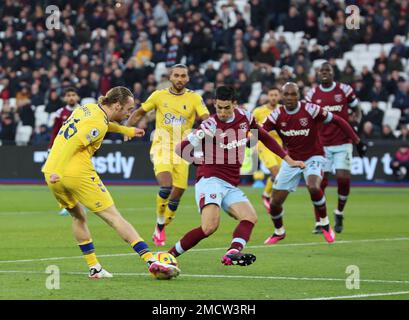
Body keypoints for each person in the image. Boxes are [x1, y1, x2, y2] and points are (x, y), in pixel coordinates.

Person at [42, 86, 180, 280]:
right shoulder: (97, 124)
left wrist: (126, 130)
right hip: (74, 171)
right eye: (128, 109)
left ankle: (94, 268)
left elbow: (105, 125)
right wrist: (60, 169)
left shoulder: (88, 108)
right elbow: (75, 143)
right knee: (115, 218)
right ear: (117, 105)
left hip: (50, 172)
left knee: (78, 217)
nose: (129, 113)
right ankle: (151, 260)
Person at [168, 86, 304, 266]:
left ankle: (232, 252)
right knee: (209, 227)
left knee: (250, 217)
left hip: (230, 183)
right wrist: (198, 162)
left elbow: (263, 136)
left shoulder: (245, 117)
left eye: (227, 108)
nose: (222, 112)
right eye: (219, 108)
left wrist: (288, 159)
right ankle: (168, 256)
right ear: (214, 104)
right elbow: (180, 149)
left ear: (235, 104)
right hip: (211, 180)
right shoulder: (210, 125)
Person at [262, 82, 362, 245]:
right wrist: (248, 139)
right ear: (282, 96)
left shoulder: (310, 109)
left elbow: (337, 120)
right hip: (292, 160)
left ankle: (324, 223)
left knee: (314, 186)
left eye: (293, 94)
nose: (289, 98)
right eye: (286, 94)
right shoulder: (276, 114)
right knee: (274, 203)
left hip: (314, 157)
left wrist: (356, 140)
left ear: (299, 95)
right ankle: (279, 232)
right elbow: (260, 132)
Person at [126, 64, 209, 247]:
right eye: (176, 75)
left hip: (183, 150)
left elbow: (206, 118)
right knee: (166, 187)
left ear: (188, 78)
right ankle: (160, 224)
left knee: (177, 194)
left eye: (183, 76)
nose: (180, 79)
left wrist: (210, 130)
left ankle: (161, 224)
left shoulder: (194, 97)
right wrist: (128, 129)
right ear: (170, 77)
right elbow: (140, 112)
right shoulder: (158, 95)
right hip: (161, 146)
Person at [305, 62, 367, 234]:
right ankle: (320, 222)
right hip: (322, 145)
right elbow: (307, 116)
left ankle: (339, 212)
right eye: (322, 71)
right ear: (318, 74)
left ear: (333, 73)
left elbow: (357, 107)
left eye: (328, 71)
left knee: (343, 179)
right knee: (319, 184)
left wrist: (357, 120)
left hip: (343, 142)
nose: (325, 73)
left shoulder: (344, 90)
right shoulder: (312, 94)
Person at [47, 87, 81, 216]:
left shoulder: (84, 111)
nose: (71, 97)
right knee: (62, 178)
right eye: (68, 95)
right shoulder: (60, 112)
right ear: (65, 98)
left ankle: (80, 203)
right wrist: (51, 148)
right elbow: (55, 132)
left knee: (77, 178)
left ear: (77, 97)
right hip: (63, 150)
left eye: (73, 94)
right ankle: (68, 205)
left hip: (79, 149)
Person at [252, 87, 283, 211]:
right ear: (267, 96)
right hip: (264, 146)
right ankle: (274, 202)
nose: (274, 97)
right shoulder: (258, 111)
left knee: (280, 175)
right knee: (275, 171)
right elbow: (251, 127)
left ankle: (266, 195)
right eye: (271, 95)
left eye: (276, 95)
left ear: (279, 96)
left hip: (279, 147)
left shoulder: (283, 110)